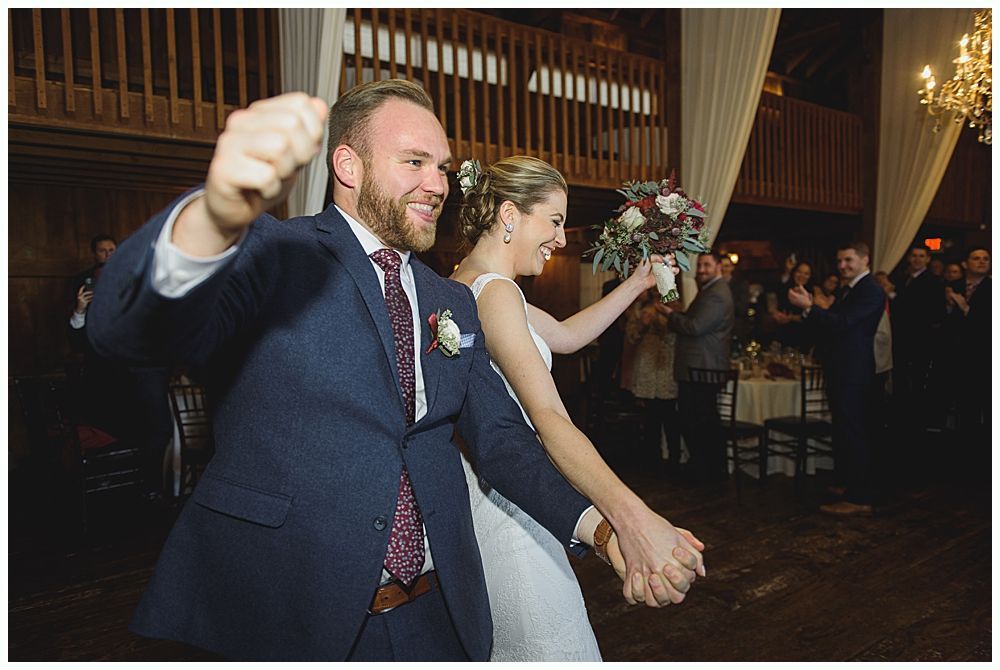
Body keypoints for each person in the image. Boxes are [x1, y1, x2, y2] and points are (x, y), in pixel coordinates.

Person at [87, 81, 702, 661]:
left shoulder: (449, 300)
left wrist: (604, 532)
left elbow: (505, 444)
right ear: (348, 167)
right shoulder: (280, 256)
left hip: (435, 613)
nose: (437, 182)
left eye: (441, 166)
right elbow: (124, 330)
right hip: (288, 612)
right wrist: (213, 217)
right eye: (414, 162)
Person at [451, 155, 703, 661]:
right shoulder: (496, 292)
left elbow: (565, 337)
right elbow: (549, 420)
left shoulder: (471, 281)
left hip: (502, 497)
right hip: (514, 511)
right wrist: (631, 517)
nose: (563, 239)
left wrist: (636, 283)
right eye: (556, 221)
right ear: (508, 215)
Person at [68, 234, 173, 501]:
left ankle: (152, 487)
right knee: (118, 431)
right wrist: (80, 311)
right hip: (109, 376)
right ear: (95, 254)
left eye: (112, 250)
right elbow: (78, 341)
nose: (108, 255)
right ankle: (123, 491)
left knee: (158, 429)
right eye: (102, 251)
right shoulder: (83, 283)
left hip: (149, 370)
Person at [788, 241, 885, 516]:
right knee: (844, 430)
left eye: (848, 260)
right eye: (840, 261)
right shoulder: (850, 289)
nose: (842, 266)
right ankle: (848, 484)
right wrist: (812, 310)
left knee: (854, 432)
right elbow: (834, 323)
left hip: (853, 371)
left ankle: (859, 497)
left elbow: (842, 324)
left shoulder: (870, 290)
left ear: (865, 260)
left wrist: (809, 307)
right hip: (841, 368)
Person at [662, 252, 734, 482]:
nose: (701, 269)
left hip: (703, 368)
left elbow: (695, 327)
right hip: (699, 367)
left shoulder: (717, 294)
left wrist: (671, 315)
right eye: (699, 265)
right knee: (697, 420)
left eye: (707, 265)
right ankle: (706, 469)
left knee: (700, 422)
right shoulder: (710, 291)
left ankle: (707, 471)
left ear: (719, 267)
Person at [887, 245, 945, 436]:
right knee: (900, 379)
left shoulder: (934, 281)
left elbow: (931, 312)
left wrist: (895, 297)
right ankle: (899, 419)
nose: (918, 259)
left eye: (922, 256)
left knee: (918, 381)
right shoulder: (902, 279)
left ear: (928, 259)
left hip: (921, 341)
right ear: (909, 258)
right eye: (914, 256)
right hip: (900, 339)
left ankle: (915, 423)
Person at [625, 288, 682, 473]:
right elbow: (631, 337)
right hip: (648, 367)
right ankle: (652, 459)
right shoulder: (641, 309)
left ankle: (675, 458)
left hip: (667, 366)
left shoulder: (676, 307)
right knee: (651, 417)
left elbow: (683, 333)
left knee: (670, 415)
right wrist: (642, 325)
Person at [943, 247, 991, 452]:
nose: (982, 262)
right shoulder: (952, 286)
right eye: (976, 258)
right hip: (956, 353)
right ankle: (963, 444)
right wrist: (948, 306)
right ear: (965, 264)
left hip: (984, 354)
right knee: (963, 401)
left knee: (986, 401)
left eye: (986, 259)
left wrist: (965, 309)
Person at [772, 261, 813, 352]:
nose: (801, 275)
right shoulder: (785, 289)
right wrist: (776, 314)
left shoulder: (813, 292)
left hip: (803, 335)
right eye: (799, 272)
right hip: (783, 333)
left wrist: (791, 318)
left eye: (806, 273)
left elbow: (811, 316)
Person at [720, 255, 751, 348]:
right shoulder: (712, 285)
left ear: (732, 268)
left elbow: (742, 308)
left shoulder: (741, 284)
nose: (723, 269)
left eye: (726, 266)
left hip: (736, 329)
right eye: (721, 266)